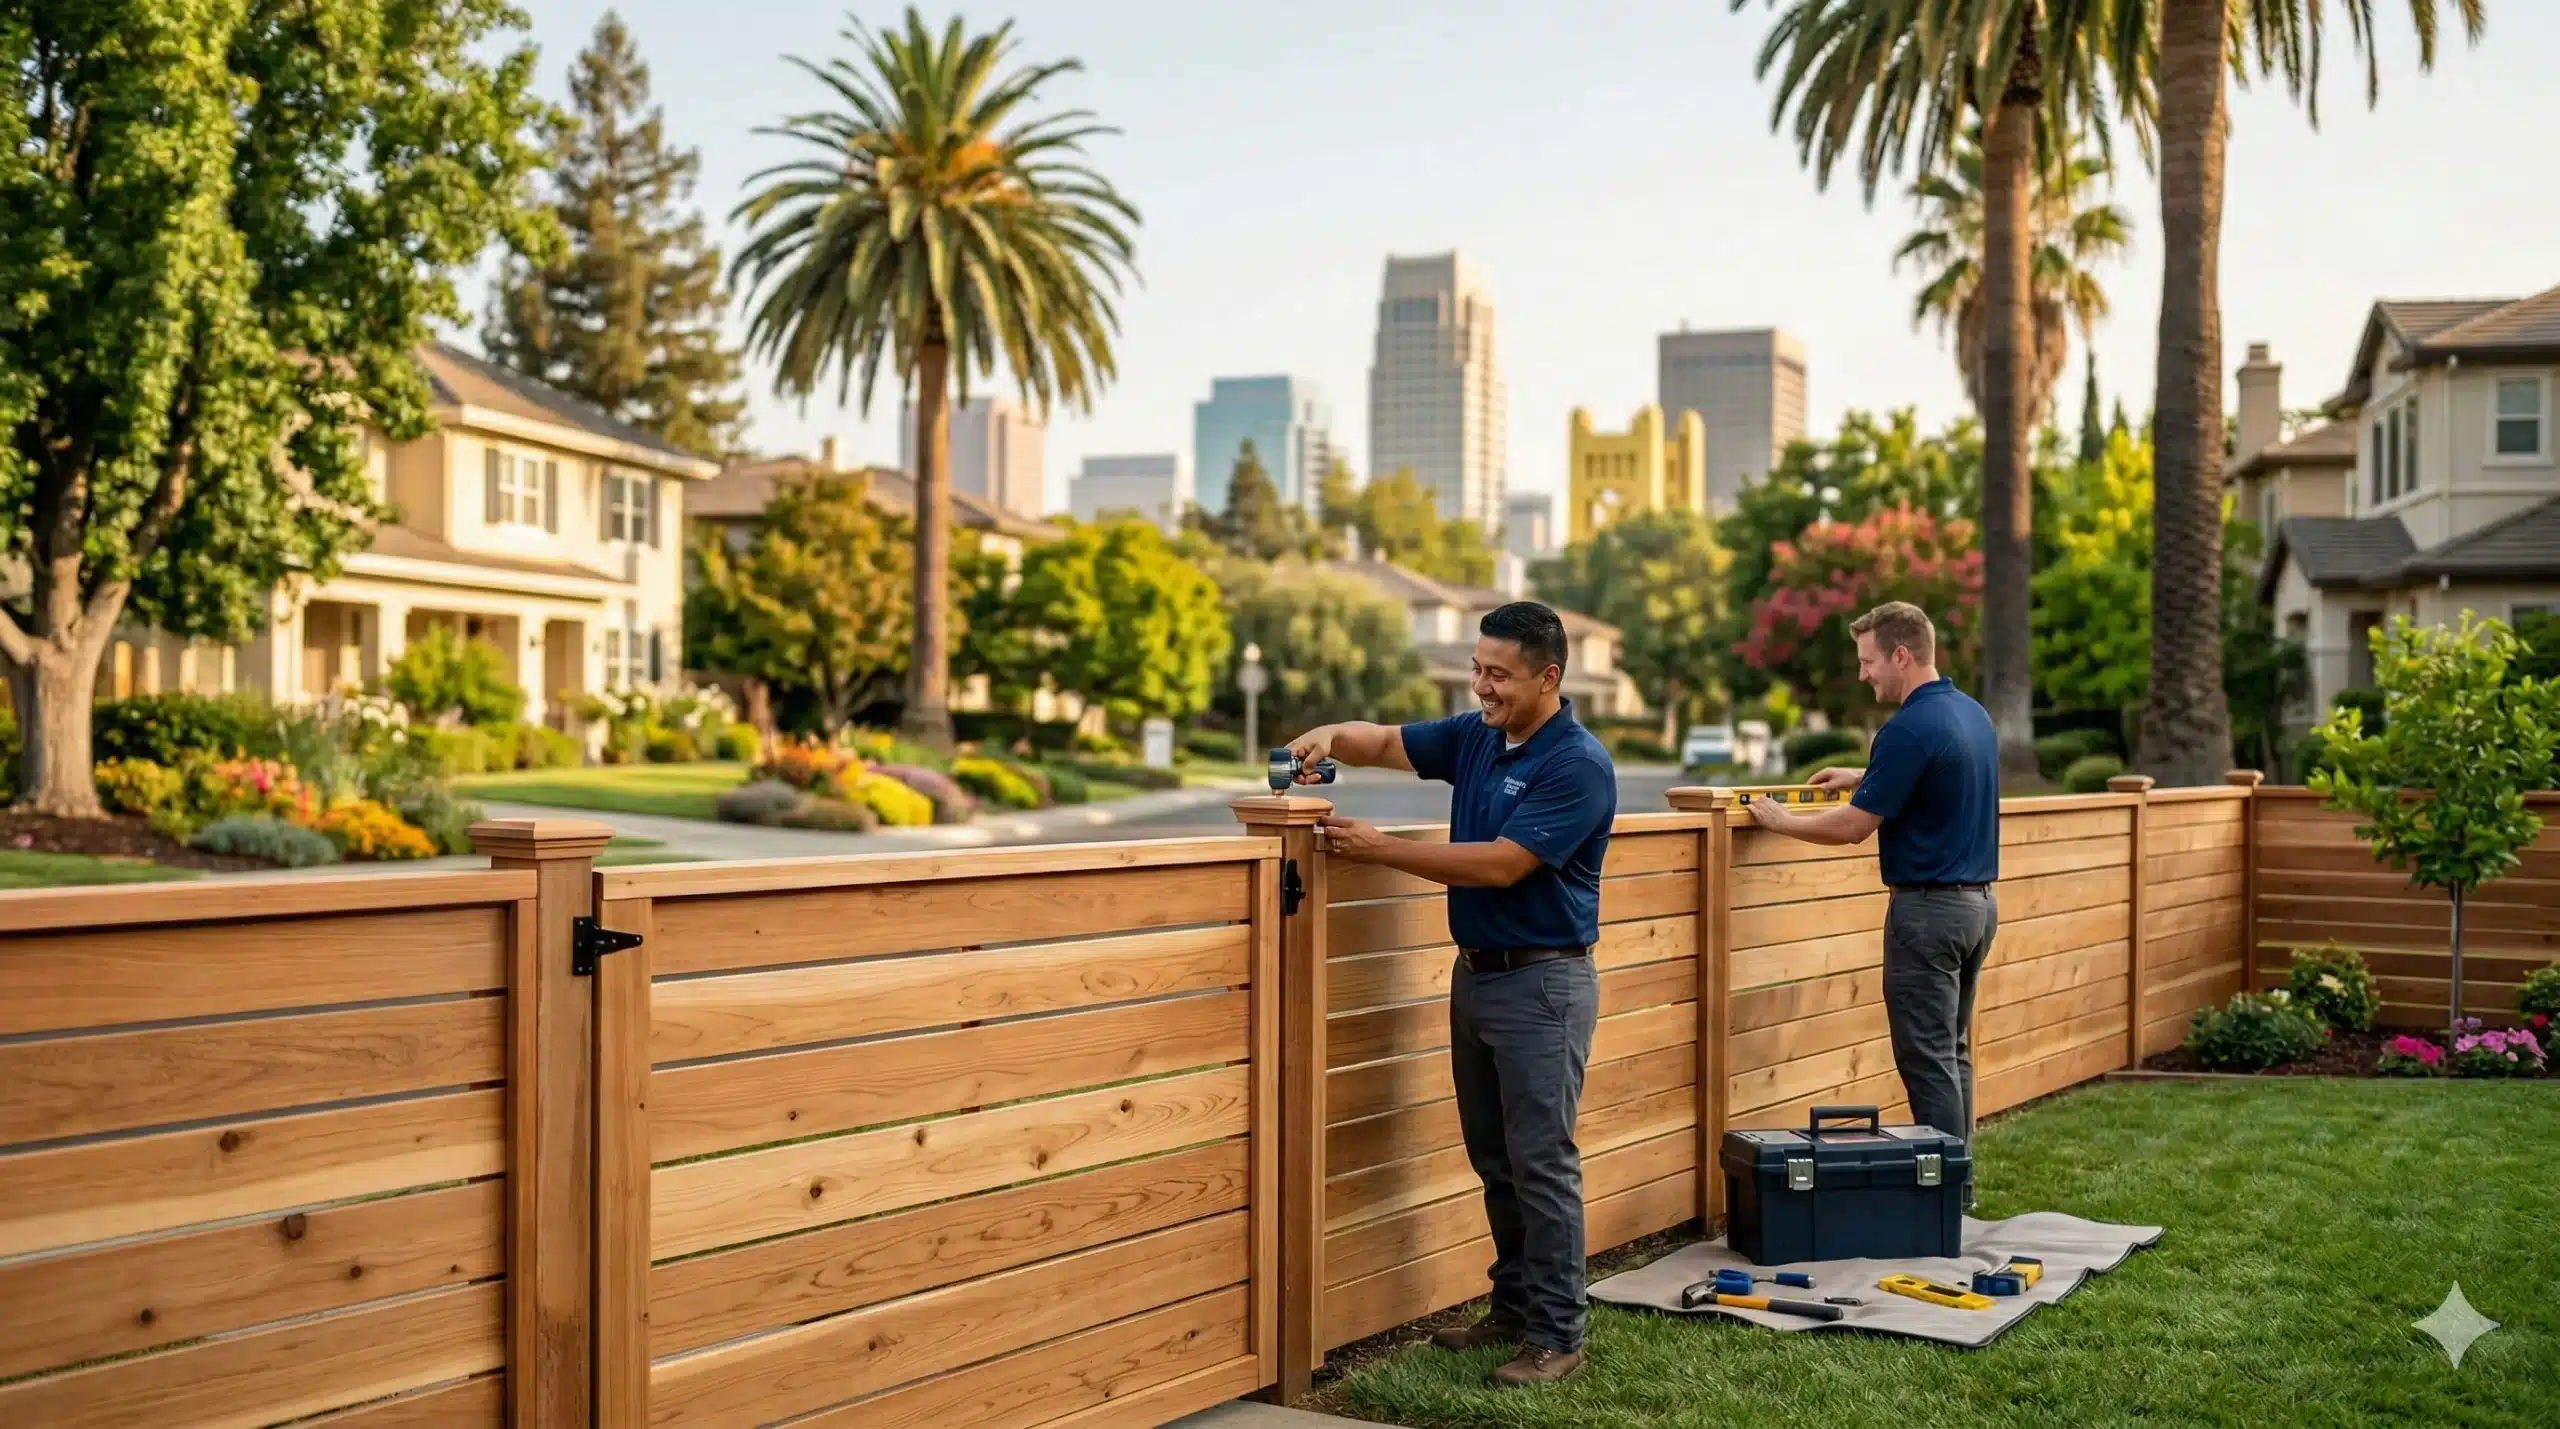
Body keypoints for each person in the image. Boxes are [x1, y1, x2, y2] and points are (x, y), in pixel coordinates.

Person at [1284, 601, 1616, 1388]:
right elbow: (1385, 742)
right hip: (1478, 978)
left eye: (1499, 674)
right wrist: (1329, 735)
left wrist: (1383, 848)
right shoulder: (1476, 737)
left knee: (1541, 1164)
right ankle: (1513, 1308)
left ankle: (1558, 1336)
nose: (1482, 686)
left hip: (1544, 984)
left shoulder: (1577, 763)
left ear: (1548, 676)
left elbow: (1503, 863)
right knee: (1496, 1159)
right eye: (1477, 669)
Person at [1743, 601, 1998, 1206]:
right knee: (1952, 1053)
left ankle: (1942, 1199)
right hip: (1977, 908)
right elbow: (1940, 772)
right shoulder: (1970, 714)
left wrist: (1780, 821)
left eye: (1868, 662)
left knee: (1927, 1060)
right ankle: (1958, 1189)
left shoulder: (1907, 728)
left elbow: (1854, 827)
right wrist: (1866, 774)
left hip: (1928, 916)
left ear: (1901, 655)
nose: (1863, 675)